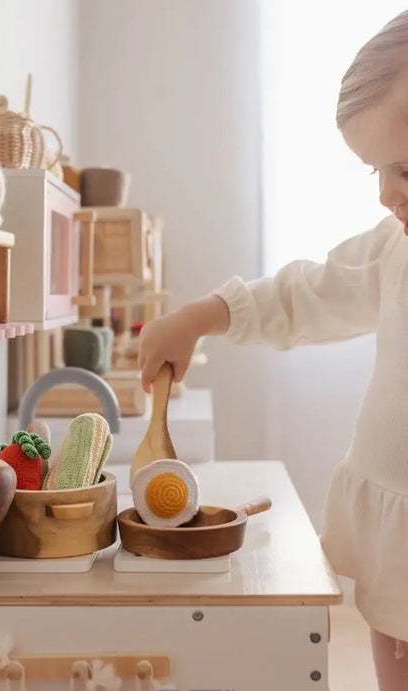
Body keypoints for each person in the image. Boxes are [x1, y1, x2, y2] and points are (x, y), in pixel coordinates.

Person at [137, 11, 408, 691]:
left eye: (402, 166)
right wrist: (201, 315)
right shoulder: (393, 248)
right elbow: (307, 293)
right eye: (375, 170)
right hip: (395, 538)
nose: (383, 192)